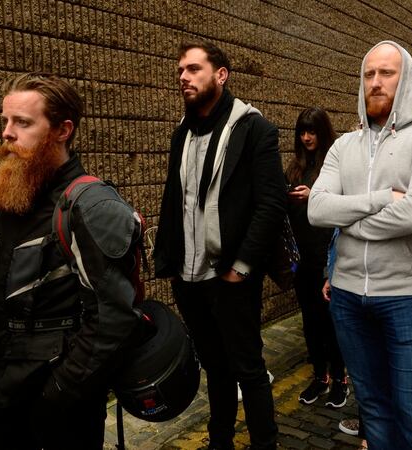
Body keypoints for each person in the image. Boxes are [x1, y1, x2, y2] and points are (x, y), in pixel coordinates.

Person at [0, 73, 145, 449]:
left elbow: (115, 316)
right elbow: (28, 289)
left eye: (23, 122)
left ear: (62, 130)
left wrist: (59, 393)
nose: (7, 133)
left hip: (60, 404)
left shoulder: (91, 204)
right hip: (5, 387)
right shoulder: (13, 193)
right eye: (5, 121)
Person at [309, 41, 412, 448]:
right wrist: (379, 200)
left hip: (410, 298)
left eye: (386, 73)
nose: (375, 82)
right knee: (373, 412)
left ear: (406, 78)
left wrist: (349, 220)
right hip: (347, 298)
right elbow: (317, 210)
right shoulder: (344, 145)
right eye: (369, 74)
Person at [153, 41, 285, 450]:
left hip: (230, 276)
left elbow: (271, 203)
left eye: (193, 69)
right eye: (180, 71)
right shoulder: (182, 134)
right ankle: (220, 440)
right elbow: (175, 201)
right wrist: (170, 262)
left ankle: (265, 442)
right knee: (215, 367)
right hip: (189, 277)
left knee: (247, 366)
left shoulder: (254, 129)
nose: (183, 77)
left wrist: (241, 267)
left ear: (221, 75)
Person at [285, 107, 348, 408]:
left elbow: (343, 207)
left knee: (331, 323)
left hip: (327, 258)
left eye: (312, 131)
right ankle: (319, 376)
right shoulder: (295, 167)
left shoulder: (334, 165)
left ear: (323, 132)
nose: (306, 137)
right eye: (302, 132)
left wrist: (315, 196)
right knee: (310, 322)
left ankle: (340, 379)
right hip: (302, 259)